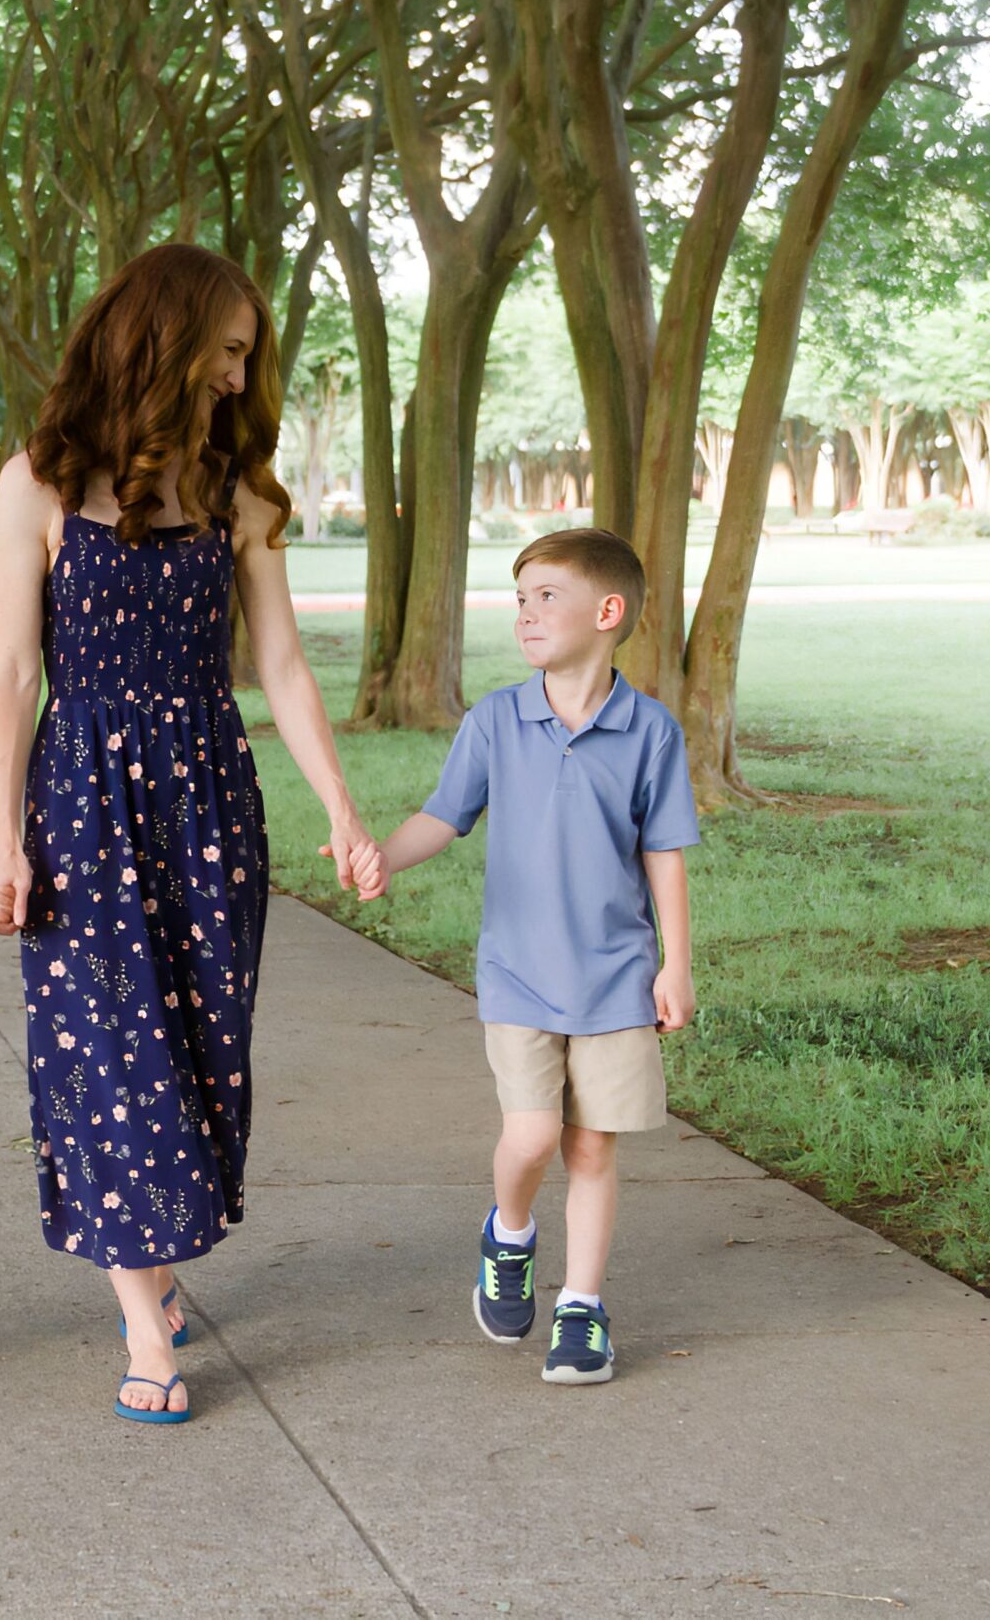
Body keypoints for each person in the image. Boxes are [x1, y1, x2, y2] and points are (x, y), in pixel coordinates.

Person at [0, 241, 384, 1425]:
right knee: (105, 1049)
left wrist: (342, 808)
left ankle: (151, 1254)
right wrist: (5, 837)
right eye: (228, 348)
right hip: (84, 803)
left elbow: (285, 667)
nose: (236, 373)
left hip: (209, 797)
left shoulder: (238, 494)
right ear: (163, 336)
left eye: (248, 357)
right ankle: (145, 1321)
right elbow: (9, 670)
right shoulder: (38, 486)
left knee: (202, 1049)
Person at [376, 528, 699, 1385]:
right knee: (530, 1136)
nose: (525, 613)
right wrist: (382, 855)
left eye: (545, 597)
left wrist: (676, 964)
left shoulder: (650, 732)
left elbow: (663, 852)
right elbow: (442, 817)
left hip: (616, 978)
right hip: (517, 974)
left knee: (592, 1149)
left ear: (607, 612)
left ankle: (582, 1311)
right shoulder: (495, 720)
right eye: (519, 599)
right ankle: (509, 1233)